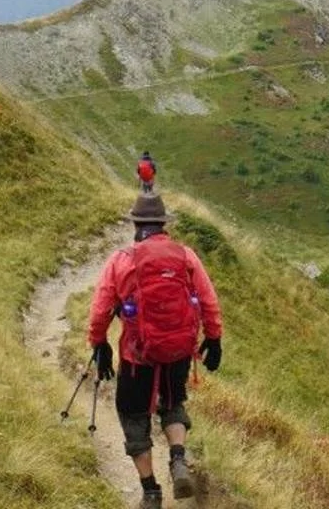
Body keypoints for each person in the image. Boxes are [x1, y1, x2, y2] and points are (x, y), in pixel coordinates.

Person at [88, 192, 223, 508]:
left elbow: (100, 309)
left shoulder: (121, 260)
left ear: (136, 224)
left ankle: (151, 492)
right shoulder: (186, 256)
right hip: (178, 351)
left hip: (137, 356)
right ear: (164, 224)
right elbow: (208, 300)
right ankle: (178, 458)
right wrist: (214, 337)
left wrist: (99, 343)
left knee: (133, 415)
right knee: (173, 403)